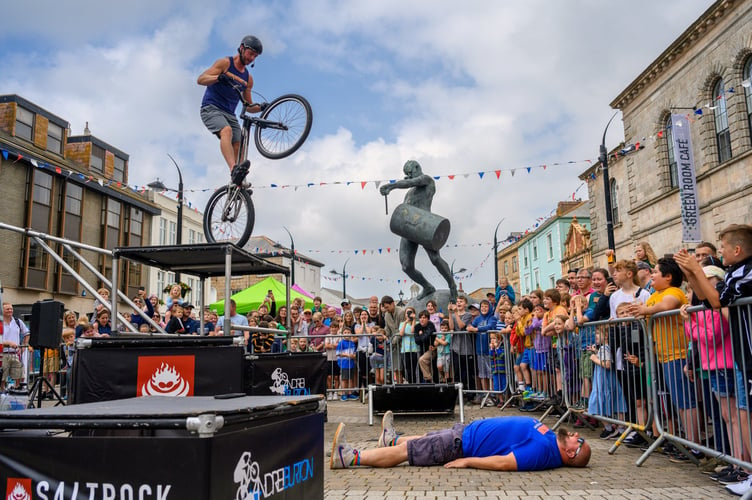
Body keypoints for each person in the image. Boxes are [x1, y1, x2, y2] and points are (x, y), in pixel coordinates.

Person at [675, 224, 752, 495]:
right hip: (739, 356)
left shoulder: (744, 273)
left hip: (740, 355)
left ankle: (746, 468)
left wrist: (696, 271)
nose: (720, 252)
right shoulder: (735, 272)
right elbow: (709, 301)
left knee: (743, 415)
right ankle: (743, 467)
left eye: (723, 248)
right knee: (737, 415)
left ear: (737, 249)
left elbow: (718, 303)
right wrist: (691, 274)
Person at [330, 411, 591, 470]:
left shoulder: (544, 453)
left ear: (570, 454)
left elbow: (504, 463)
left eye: (578, 444)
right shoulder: (551, 441)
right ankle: (389, 439)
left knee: (407, 452)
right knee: (422, 440)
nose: (576, 436)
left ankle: (351, 457)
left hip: (461, 446)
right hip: (464, 434)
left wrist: (467, 462)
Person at [379, 160, 457, 300]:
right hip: (408, 228)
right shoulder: (409, 193)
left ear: (417, 168)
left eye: (410, 172)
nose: (408, 176)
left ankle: (452, 286)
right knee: (406, 266)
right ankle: (427, 286)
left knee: (435, 259)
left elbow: (411, 182)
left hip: (424, 225)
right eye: (406, 174)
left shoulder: (427, 180)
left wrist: (391, 186)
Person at [197, 35, 267, 185]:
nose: (251, 58)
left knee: (240, 143)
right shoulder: (224, 63)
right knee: (226, 131)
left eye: (255, 56)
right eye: (250, 53)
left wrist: (261, 107)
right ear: (242, 48)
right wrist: (218, 77)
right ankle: (233, 169)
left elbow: (248, 106)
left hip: (230, 114)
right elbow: (201, 79)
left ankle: (238, 179)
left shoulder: (248, 79)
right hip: (211, 108)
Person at [2, 303, 30, 389]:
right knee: (2, 377)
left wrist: (24, 346)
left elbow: (27, 334)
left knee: (19, 375)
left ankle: (16, 393)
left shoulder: (18, 322)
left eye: (11, 309)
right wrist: (8, 343)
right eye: (7, 309)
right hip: (2, 354)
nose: (10, 311)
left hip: (15, 354)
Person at [381, 295, 405, 384]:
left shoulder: (401, 312)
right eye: (385, 308)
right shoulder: (386, 315)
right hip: (394, 345)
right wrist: (382, 333)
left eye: (387, 307)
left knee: (405, 367)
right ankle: (399, 387)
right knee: (397, 368)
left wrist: (392, 341)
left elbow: (401, 328)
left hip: (404, 344)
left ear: (392, 304)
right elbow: (387, 328)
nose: (386, 309)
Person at [336, 327, 358, 401]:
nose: (347, 334)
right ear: (342, 334)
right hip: (344, 363)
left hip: (351, 363)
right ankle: (343, 394)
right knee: (344, 379)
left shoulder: (352, 343)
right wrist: (347, 355)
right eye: (345, 332)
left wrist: (354, 356)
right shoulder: (341, 343)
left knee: (351, 379)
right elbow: (338, 353)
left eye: (348, 332)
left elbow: (354, 352)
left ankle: (350, 393)